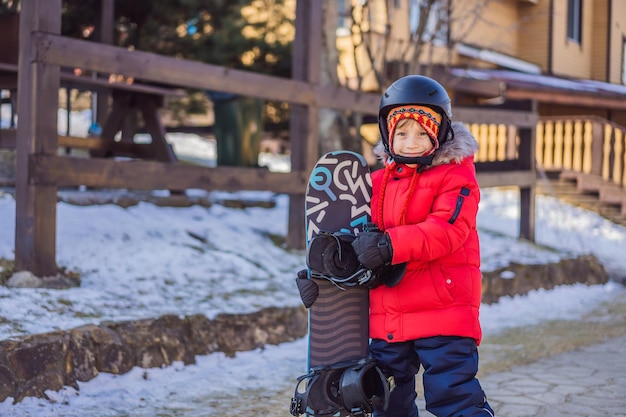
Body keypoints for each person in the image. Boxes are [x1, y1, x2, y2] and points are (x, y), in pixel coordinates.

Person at [350, 75, 495, 417]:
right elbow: (351, 234)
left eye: (421, 132)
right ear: (388, 136)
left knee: (453, 397)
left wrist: (388, 245)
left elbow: (446, 229)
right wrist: (322, 271)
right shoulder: (375, 184)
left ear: (439, 133)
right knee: (384, 402)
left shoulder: (456, 177)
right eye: (401, 133)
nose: (411, 142)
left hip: (442, 310)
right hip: (390, 313)